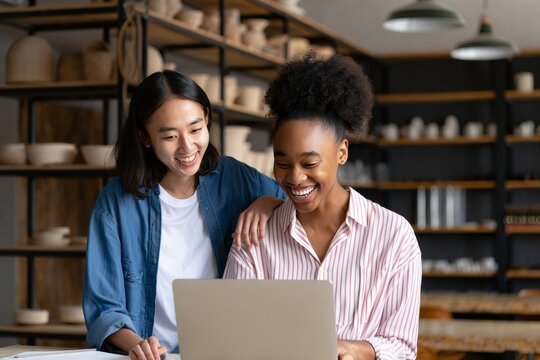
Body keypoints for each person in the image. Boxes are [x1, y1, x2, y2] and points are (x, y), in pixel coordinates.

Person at [224, 53, 422, 360]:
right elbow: (232, 336)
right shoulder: (254, 237)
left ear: (342, 152)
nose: (295, 177)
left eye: (310, 162)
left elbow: (402, 348)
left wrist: (354, 349)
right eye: (282, 162)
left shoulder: (394, 236)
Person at [83, 70, 285, 360]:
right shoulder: (116, 202)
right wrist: (136, 344)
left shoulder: (236, 178)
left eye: (195, 129)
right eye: (169, 136)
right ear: (145, 137)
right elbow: (104, 306)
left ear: (207, 121)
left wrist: (269, 202)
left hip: (225, 352)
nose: (187, 147)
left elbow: (303, 204)